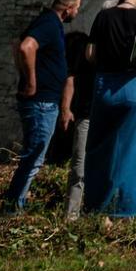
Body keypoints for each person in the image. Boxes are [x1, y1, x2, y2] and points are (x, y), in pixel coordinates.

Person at [83, 0, 136, 217]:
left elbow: (90, 54)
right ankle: (127, 209)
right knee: (131, 149)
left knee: (99, 147)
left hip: (105, 84)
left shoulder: (103, 16)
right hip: (132, 87)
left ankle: (96, 206)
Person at [5, 0, 82, 210]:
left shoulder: (49, 24)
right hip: (41, 101)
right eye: (77, 8)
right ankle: (13, 208)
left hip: (46, 100)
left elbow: (17, 45)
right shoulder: (48, 23)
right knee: (34, 158)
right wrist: (30, 82)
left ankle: (15, 204)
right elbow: (25, 47)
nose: (77, 12)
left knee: (34, 156)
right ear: (68, 9)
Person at [61, 28, 96, 220]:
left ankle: (94, 213)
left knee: (86, 166)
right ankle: (71, 215)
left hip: (98, 113)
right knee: (79, 166)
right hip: (86, 113)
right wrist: (66, 108)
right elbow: (71, 79)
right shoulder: (85, 49)